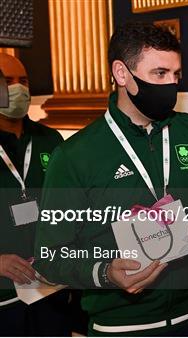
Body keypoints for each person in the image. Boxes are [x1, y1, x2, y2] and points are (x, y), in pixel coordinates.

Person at [33, 22, 188, 336]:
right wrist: (105, 273)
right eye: (159, 74)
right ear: (122, 74)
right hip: (121, 327)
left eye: (176, 76)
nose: (171, 86)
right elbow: (50, 258)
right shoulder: (75, 156)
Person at [0, 53, 70, 335]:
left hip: (48, 288)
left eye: (24, 80)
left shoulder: (50, 140)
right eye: (6, 81)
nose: (18, 88)